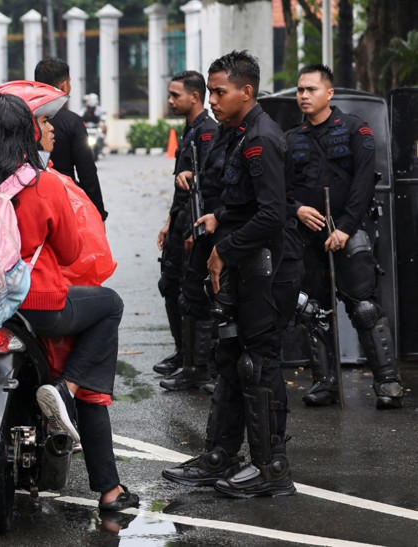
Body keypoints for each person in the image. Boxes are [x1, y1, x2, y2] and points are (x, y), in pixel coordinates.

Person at [0, 83, 140, 511]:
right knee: (109, 305)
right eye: (44, 122)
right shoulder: (44, 183)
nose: (49, 127)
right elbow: (73, 251)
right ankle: (66, 393)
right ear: (27, 132)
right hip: (39, 306)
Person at [162, 51, 295, 498]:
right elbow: (239, 199)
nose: (213, 99)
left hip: (264, 266)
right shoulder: (235, 134)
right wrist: (218, 217)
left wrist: (225, 250)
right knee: (231, 358)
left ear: (246, 91)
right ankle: (220, 454)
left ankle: (272, 467)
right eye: (212, 91)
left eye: (220, 92)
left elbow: (273, 214)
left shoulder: (261, 138)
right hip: (242, 263)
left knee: (260, 363)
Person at [287, 64, 403, 409]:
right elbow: (279, 188)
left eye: (311, 89)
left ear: (329, 93)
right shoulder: (290, 138)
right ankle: (325, 383)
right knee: (312, 311)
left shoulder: (355, 129)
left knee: (364, 308)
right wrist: (295, 210)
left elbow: (365, 183)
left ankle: (387, 382)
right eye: (300, 90)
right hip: (308, 237)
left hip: (349, 233)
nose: (304, 96)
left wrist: (345, 228)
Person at [154, 71, 218, 382]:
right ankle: (184, 354)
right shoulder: (190, 129)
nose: (170, 100)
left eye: (175, 95)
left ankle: (198, 366)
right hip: (180, 219)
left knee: (191, 294)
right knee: (171, 285)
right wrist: (169, 222)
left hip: (196, 222)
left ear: (195, 97)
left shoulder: (207, 131)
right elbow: (181, 187)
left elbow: (207, 186)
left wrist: (195, 231)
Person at [34, 57, 108, 221]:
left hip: (30, 201)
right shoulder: (71, 121)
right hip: (65, 200)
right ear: (64, 85)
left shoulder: (22, 117)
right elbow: (87, 172)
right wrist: (99, 215)